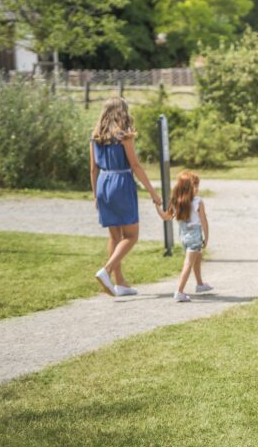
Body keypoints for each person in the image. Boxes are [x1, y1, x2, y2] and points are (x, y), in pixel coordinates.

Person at [89, 97, 162, 297]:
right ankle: (107, 270)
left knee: (115, 236)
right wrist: (153, 193)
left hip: (103, 183)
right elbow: (136, 166)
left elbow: (93, 169)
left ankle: (120, 283)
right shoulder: (124, 136)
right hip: (121, 183)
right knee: (131, 236)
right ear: (122, 113)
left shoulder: (95, 136)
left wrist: (96, 194)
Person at [155, 170, 212, 302]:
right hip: (195, 236)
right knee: (188, 263)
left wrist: (157, 207)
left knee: (197, 256)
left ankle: (200, 284)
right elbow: (204, 221)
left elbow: (166, 217)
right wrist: (207, 238)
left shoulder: (176, 202)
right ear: (189, 188)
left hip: (184, 236)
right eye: (196, 186)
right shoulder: (198, 201)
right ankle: (179, 291)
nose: (198, 189)